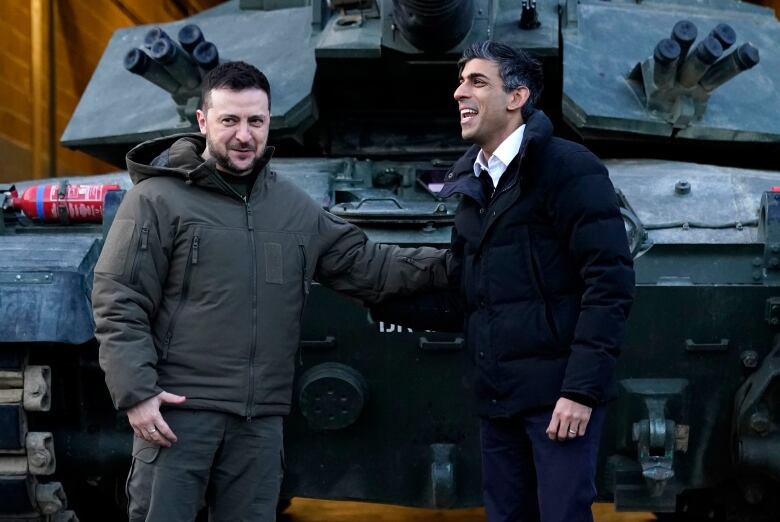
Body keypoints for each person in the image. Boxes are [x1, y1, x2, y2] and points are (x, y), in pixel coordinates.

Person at [91, 61, 450, 522]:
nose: (244, 135)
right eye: (230, 120)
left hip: (258, 424)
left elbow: (371, 266)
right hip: (178, 416)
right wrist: (136, 393)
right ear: (203, 122)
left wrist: (456, 262)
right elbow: (119, 296)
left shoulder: (292, 207)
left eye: (255, 121)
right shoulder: (157, 200)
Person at [375, 41, 635, 522]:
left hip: (559, 401)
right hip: (499, 398)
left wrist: (580, 391)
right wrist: (377, 294)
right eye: (459, 81)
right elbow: (470, 297)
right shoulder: (474, 182)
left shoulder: (566, 167)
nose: (459, 93)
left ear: (517, 97)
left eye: (477, 81)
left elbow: (609, 283)